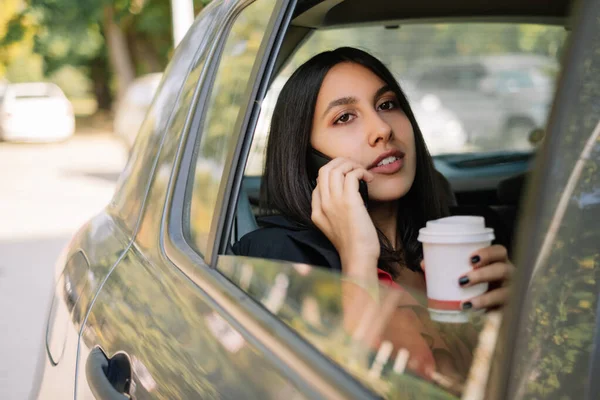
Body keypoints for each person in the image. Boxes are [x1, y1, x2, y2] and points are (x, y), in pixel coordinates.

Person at [233, 47, 513, 381]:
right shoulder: (277, 256)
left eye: (387, 105)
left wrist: (518, 315)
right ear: (308, 158)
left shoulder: (474, 238)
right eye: (344, 117)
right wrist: (357, 259)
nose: (382, 128)